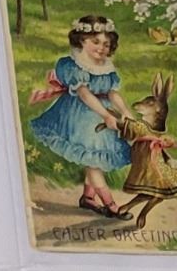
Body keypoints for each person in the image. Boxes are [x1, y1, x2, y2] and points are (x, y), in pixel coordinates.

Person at [28, 16, 134, 219]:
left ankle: (88, 197)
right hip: (81, 115)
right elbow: (84, 94)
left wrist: (125, 112)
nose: (101, 48)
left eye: (106, 44)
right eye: (96, 42)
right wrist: (106, 115)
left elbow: (112, 93)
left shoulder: (107, 68)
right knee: (93, 160)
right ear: (81, 41)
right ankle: (111, 205)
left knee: (94, 158)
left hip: (101, 112)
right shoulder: (74, 66)